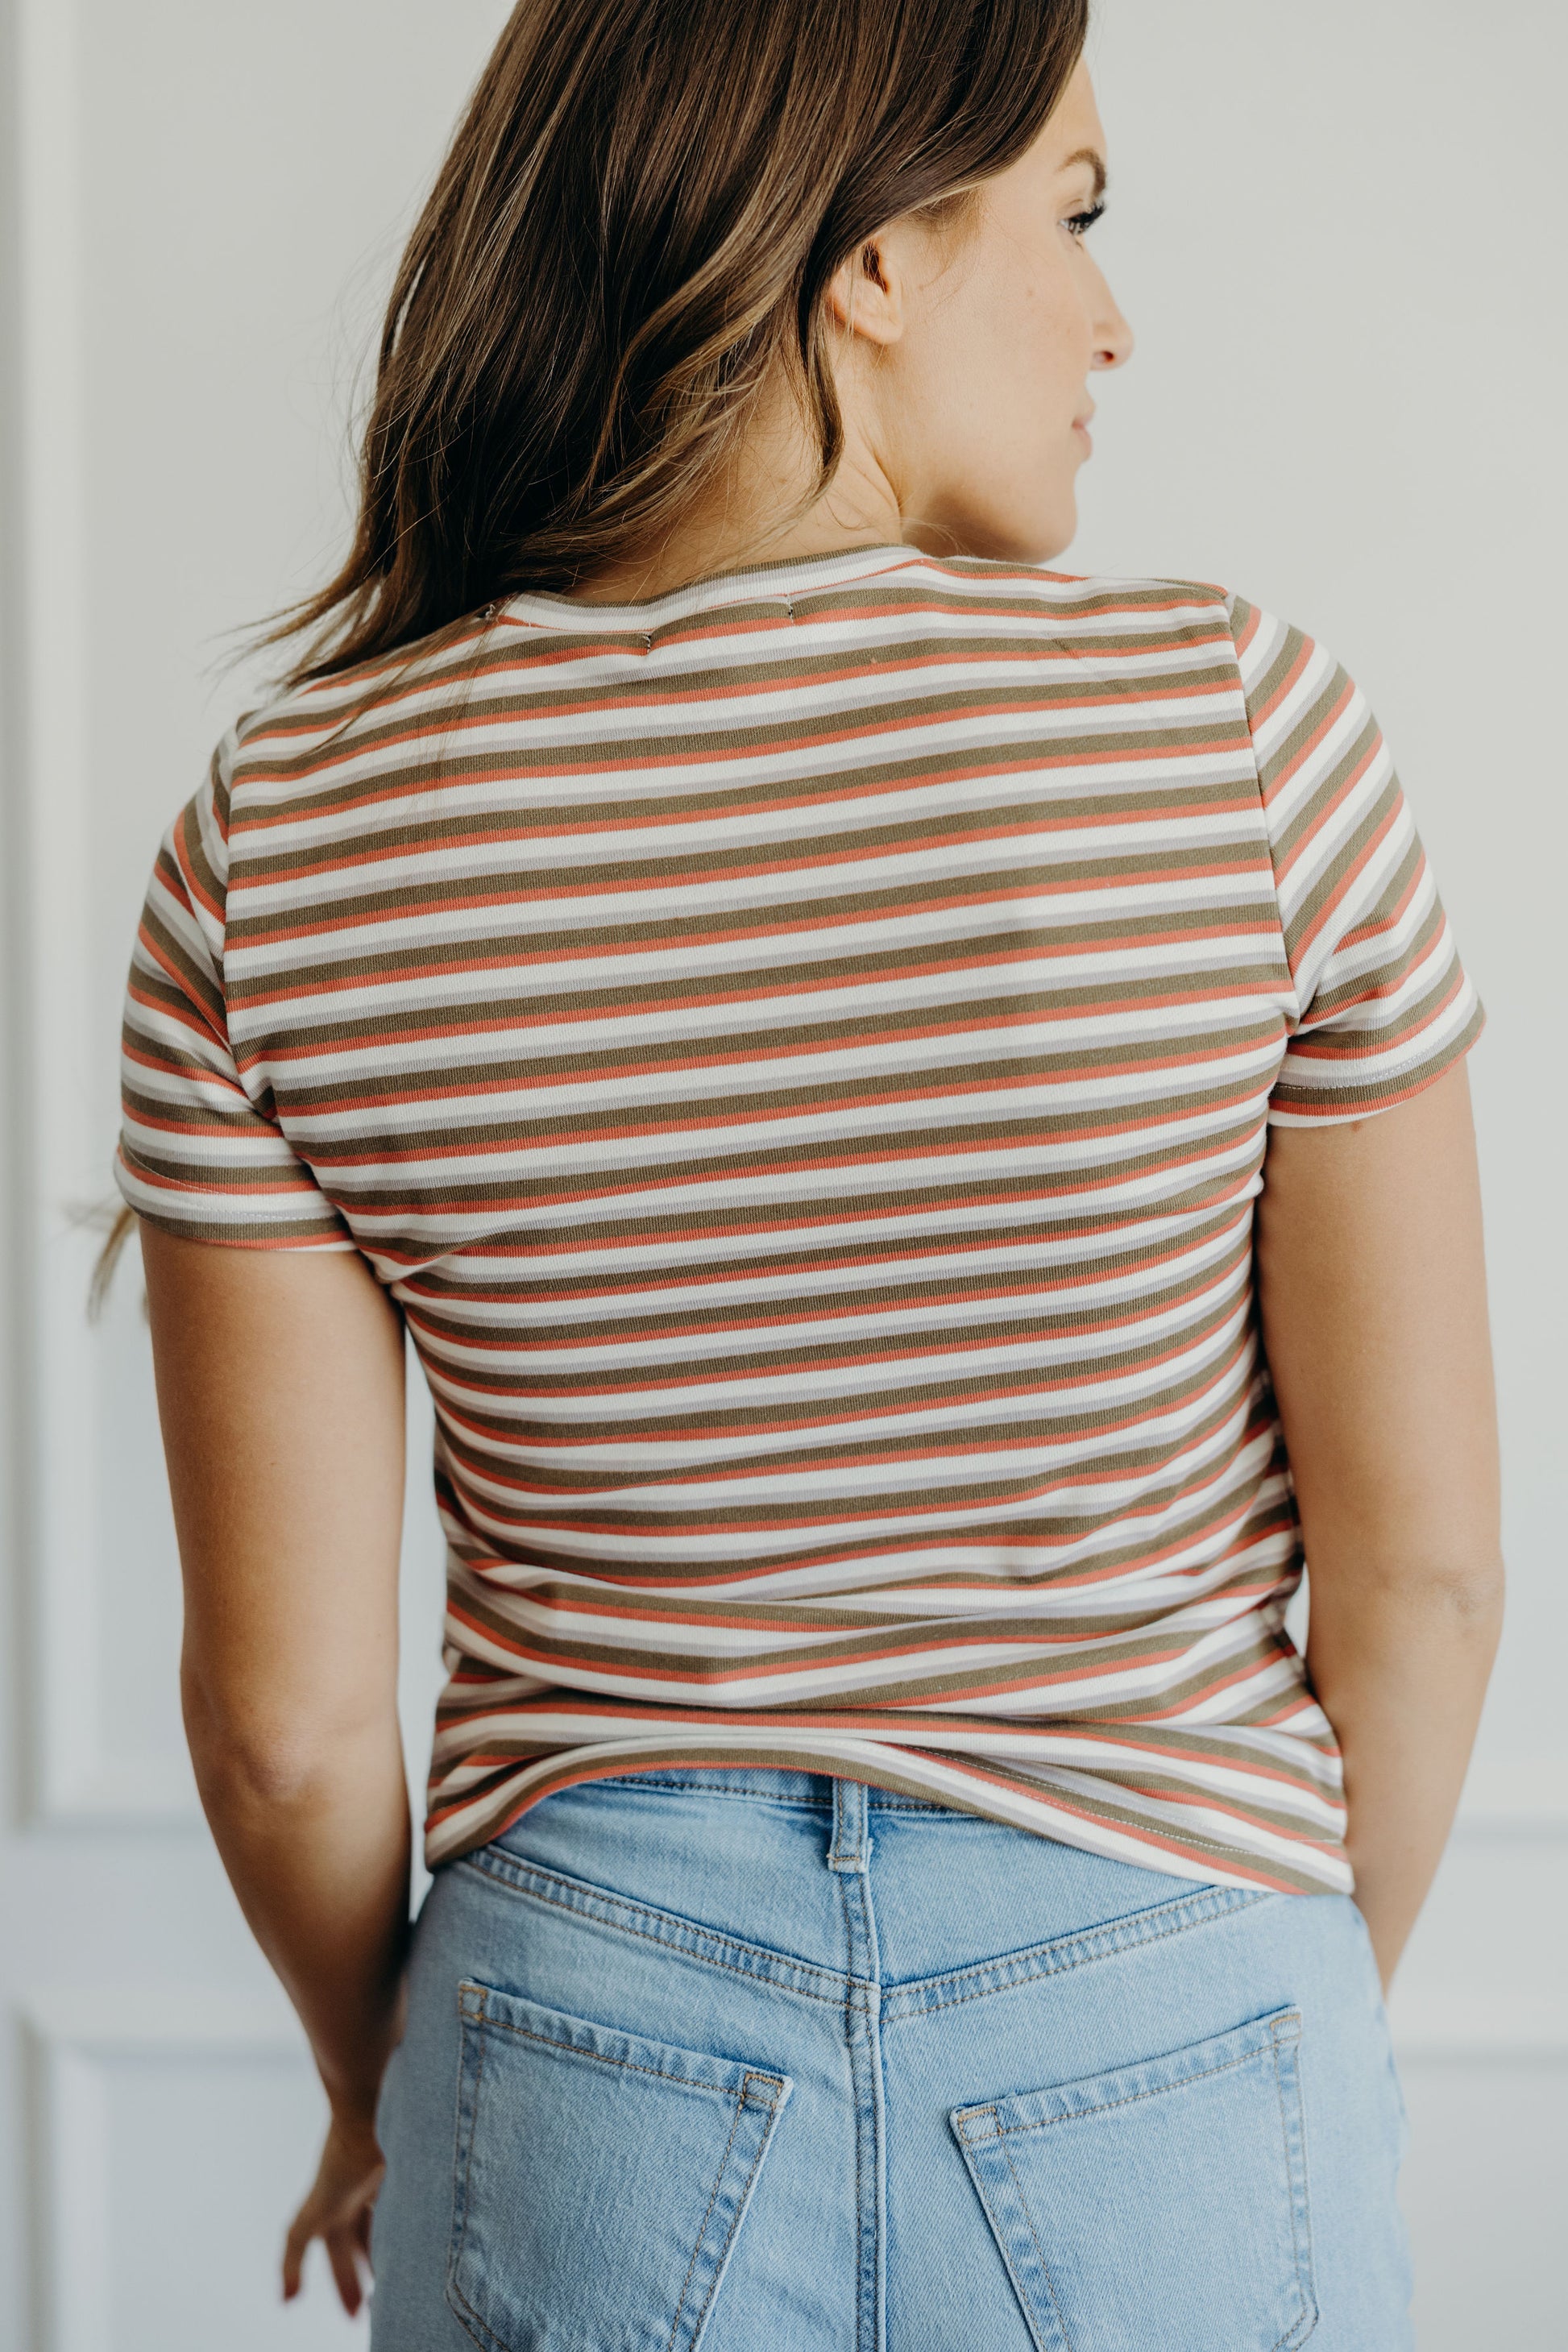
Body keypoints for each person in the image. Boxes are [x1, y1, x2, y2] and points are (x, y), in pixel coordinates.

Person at [114, 1, 1503, 2342]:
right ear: (867, 258)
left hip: (580, 2039)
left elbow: (285, 1732)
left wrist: (404, 2084)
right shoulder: (1247, 739)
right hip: (1169, 1996)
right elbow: (1428, 1578)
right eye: (1065, 211)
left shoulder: (281, 844)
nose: (1109, 315)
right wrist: (1246, 2005)